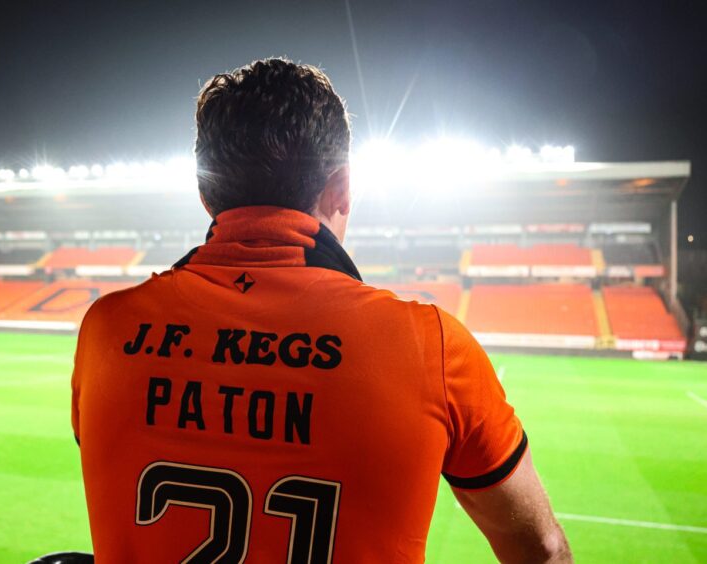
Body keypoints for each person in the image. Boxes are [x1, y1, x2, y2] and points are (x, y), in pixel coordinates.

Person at [71, 58, 571, 563]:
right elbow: (543, 551)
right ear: (343, 188)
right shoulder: (430, 344)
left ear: (205, 194)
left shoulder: (105, 330)